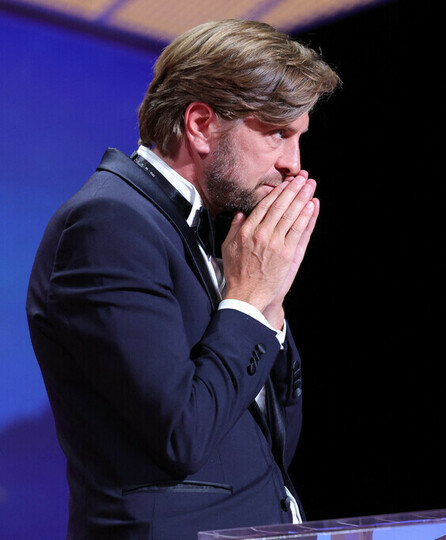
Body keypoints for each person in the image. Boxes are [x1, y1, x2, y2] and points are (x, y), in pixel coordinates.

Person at [26, 19, 340, 539]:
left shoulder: (210, 233)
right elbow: (180, 434)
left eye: (298, 137)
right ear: (200, 124)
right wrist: (249, 299)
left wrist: (271, 303)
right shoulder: (108, 223)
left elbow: (274, 443)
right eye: (277, 133)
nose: (294, 165)